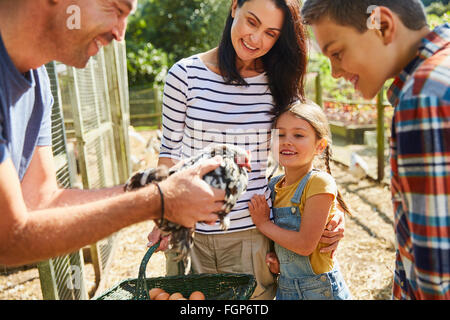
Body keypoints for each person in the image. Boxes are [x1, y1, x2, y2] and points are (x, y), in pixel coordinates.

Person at [0, 0, 227, 267]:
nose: (120, 35)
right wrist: (158, 200)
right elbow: (8, 238)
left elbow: (41, 201)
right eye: (117, 10)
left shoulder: (39, 84)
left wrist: (157, 189)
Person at [147, 0, 345, 300]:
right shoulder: (184, 74)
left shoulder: (279, 81)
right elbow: (169, 153)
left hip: (251, 232)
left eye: (271, 33)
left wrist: (330, 211)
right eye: (251, 22)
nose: (256, 39)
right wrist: (163, 216)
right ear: (234, 8)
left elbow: (301, 150)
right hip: (189, 232)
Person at [301, 0, 449, 299]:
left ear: (381, 25)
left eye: (337, 52)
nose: (335, 73)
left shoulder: (423, 98)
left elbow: (436, 272)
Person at [248, 101, 352, 300]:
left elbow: (305, 245)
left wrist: (263, 224)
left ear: (319, 146)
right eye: (280, 134)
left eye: (298, 135)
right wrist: (280, 261)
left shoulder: (319, 183)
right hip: (286, 289)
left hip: (320, 292)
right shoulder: (273, 186)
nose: (287, 141)